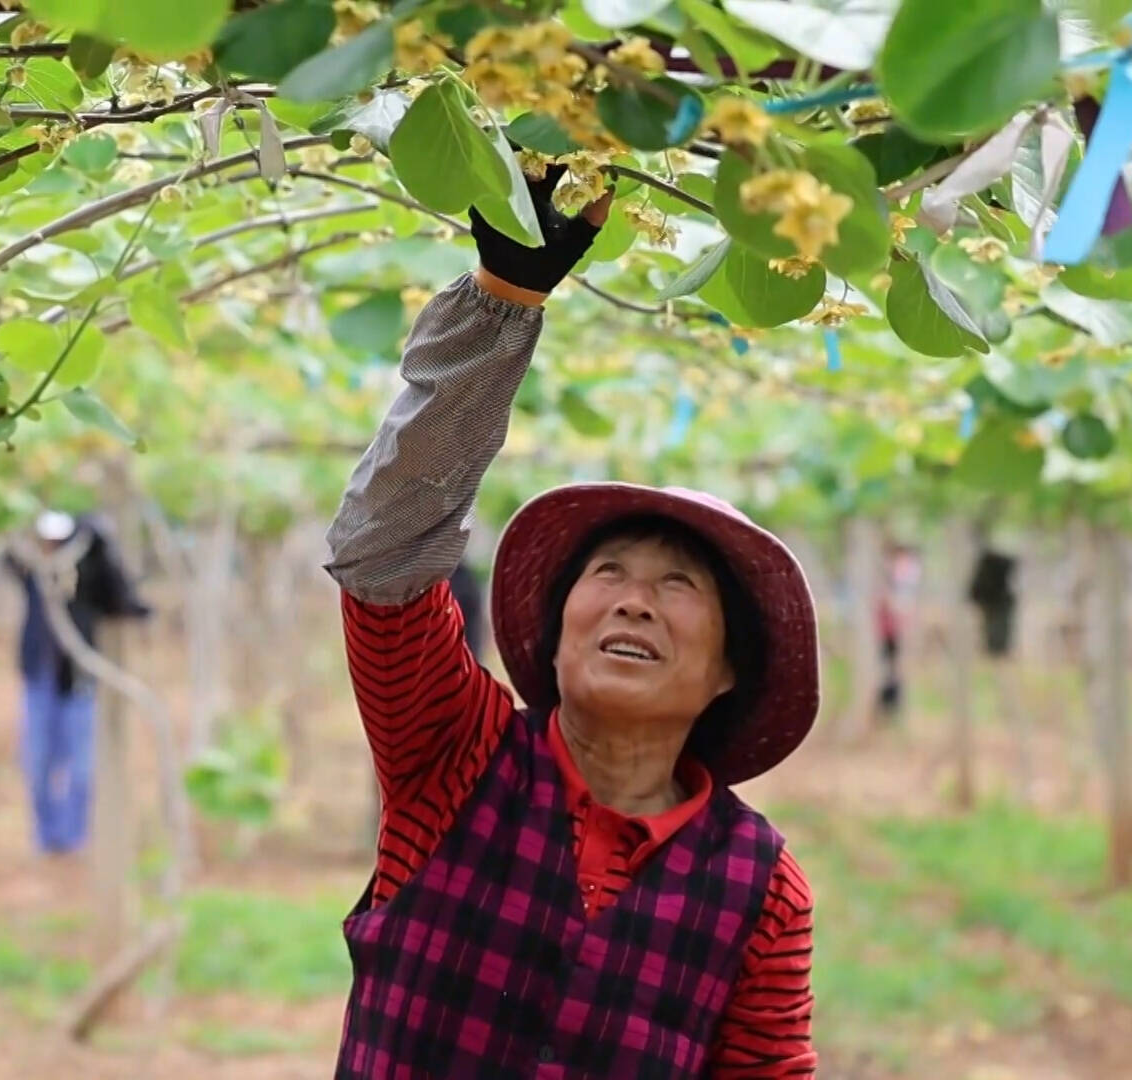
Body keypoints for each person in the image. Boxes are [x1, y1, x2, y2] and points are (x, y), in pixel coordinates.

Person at [325, 164, 818, 1076]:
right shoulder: (456, 754)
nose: (634, 597)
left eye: (679, 586)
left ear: (728, 669)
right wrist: (500, 305)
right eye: (609, 572)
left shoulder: (761, 887)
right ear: (554, 636)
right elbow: (383, 558)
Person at [4, 509, 150, 855]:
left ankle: (72, 838)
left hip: (77, 684)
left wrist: (100, 544)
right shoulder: (34, 575)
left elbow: (124, 600)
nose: (52, 547)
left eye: (58, 541)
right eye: (47, 541)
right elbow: (8, 558)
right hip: (40, 682)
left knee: (81, 768)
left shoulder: (88, 579)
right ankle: (46, 837)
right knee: (37, 763)